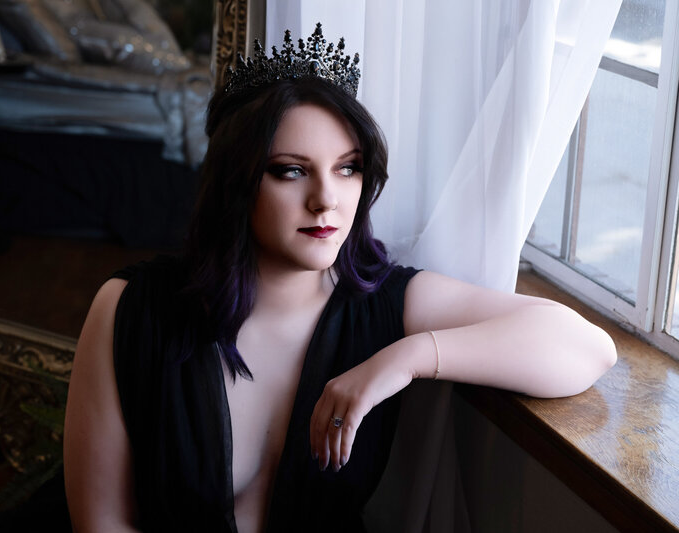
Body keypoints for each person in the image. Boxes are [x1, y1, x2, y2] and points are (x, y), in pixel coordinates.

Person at [63, 24, 617, 533]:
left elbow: (588, 348)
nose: (326, 198)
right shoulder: (130, 309)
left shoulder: (383, 301)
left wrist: (402, 360)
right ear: (237, 182)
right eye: (291, 170)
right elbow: (103, 522)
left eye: (347, 167)